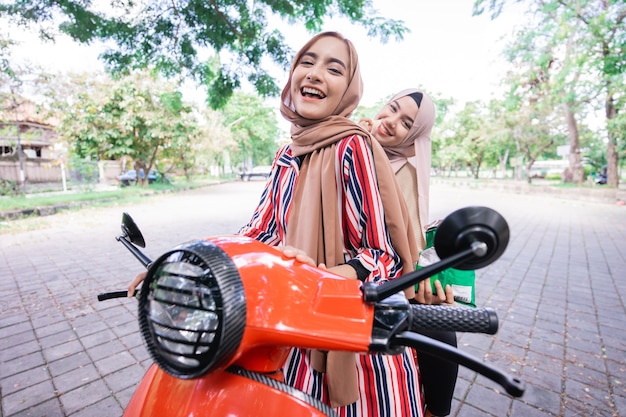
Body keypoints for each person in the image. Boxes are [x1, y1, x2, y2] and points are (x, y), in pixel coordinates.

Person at [236, 32, 423, 416]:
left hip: (345, 333)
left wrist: (319, 275)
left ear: (348, 89)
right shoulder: (286, 153)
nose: (316, 74)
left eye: (334, 68)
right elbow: (260, 232)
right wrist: (188, 260)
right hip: (289, 322)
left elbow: (382, 256)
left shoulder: (351, 145)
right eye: (307, 62)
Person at [361, 89, 458, 417]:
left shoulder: (406, 171)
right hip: (337, 265)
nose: (390, 123)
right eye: (391, 109)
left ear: (414, 137)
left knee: (442, 327)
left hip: (385, 271)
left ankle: (436, 411)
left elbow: (406, 240)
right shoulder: (350, 143)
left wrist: (414, 280)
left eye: (406, 124)